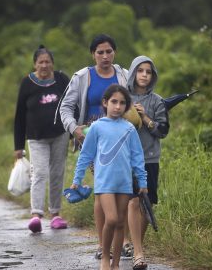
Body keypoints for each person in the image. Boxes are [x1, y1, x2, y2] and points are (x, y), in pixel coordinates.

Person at [59, 34, 138, 259]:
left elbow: (131, 104)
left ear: (115, 53)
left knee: (121, 188)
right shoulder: (83, 77)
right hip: (93, 141)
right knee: (103, 190)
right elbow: (66, 107)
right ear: (93, 54)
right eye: (100, 52)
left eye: (109, 51)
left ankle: (121, 241)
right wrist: (74, 128)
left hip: (121, 140)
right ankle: (104, 244)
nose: (105, 56)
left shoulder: (123, 75)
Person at [70, 84, 148, 270]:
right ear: (105, 102)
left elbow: (138, 157)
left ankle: (116, 264)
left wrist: (143, 182)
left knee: (121, 223)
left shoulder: (129, 128)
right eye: (114, 101)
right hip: (104, 183)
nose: (118, 106)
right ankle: (106, 256)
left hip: (124, 183)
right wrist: (76, 179)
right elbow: (86, 155)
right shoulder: (97, 127)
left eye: (122, 103)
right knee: (111, 219)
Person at [14, 45, 70, 233]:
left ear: (52, 63)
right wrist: (18, 146)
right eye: (41, 62)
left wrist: (75, 130)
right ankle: (36, 215)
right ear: (34, 64)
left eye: (48, 62)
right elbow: (19, 115)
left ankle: (55, 214)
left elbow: (73, 104)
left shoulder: (62, 79)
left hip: (60, 135)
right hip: (36, 137)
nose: (44, 65)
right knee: (39, 173)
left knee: (57, 173)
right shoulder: (27, 83)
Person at [126, 55, 170, 269]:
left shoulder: (157, 101)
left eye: (148, 72)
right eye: (140, 70)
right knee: (133, 201)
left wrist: (145, 118)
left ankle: (136, 246)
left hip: (150, 159)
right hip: (126, 160)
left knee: (146, 202)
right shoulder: (122, 97)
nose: (144, 75)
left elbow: (163, 131)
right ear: (133, 72)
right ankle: (138, 252)